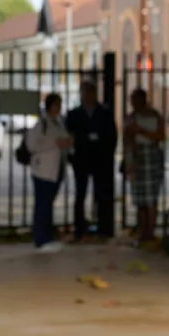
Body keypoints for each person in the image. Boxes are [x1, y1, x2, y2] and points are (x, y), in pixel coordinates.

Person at [65, 80, 118, 242]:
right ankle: (79, 229)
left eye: (90, 92)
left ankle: (104, 228)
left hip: (101, 160)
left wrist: (108, 155)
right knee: (80, 195)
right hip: (81, 160)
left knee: (102, 194)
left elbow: (112, 136)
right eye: (84, 92)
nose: (87, 95)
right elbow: (67, 137)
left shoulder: (104, 113)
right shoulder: (73, 114)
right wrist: (71, 157)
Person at [26, 92, 72, 253]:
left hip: (55, 169)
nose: (58, 108)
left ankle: (47, 236)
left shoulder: (58, 122)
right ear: (49, 106)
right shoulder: (42, 124)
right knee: (42, 204)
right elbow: (32, 145)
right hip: (43, 169)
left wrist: (66, 143)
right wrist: (55, 143)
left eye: (60, 104)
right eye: (56, 105)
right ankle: (41, 239)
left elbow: (64, 139)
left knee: (48, 204)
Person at [122, 88, 165, 244]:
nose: (133, 103)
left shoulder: (154, 116)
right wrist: (129, 161)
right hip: (137, 158)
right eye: (131, 100)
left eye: (135, 100)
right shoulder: (131, 117)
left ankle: (150, 233)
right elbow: (126, 138)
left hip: (151, 159)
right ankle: (142, 232)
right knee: (139, 199)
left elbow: (160, 135)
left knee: (151, 199)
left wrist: (140, 130)